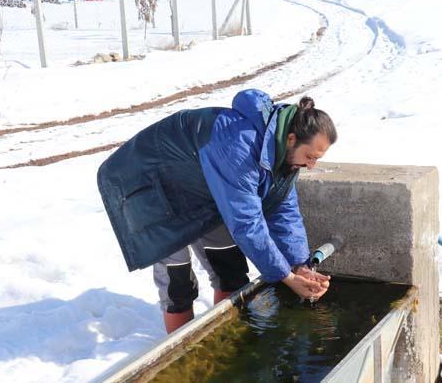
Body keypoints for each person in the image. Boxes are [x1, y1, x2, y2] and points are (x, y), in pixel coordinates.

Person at [97, 89, 337, 333]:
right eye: (309, 156)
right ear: (291, 138)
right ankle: (183, 360)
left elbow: (284, 211)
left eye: (316, 159)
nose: (311, 165)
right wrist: (287, 277)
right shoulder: (239, 143)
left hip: (205, 195)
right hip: (153, 188)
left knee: (230, 272)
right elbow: (246, 223)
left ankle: (226, 344)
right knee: (177, 284)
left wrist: (299, 265)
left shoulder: (284, 155)